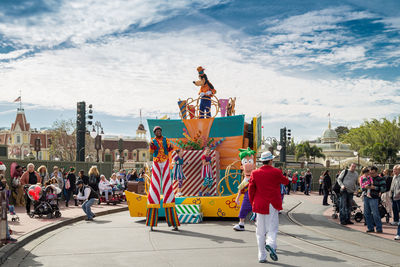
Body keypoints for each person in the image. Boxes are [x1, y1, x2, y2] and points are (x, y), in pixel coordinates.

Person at [248, 151, 289, 263]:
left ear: (262, 161)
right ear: (271, 160)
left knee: (260, 231)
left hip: (259, 204)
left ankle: (261, 256)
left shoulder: (255, 173)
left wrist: (253, 204)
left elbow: (251, 190)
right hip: (272, 203)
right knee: (272, 227)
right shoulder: (276, 172)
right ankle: (270, 243)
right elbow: (285, 182)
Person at [147, 126, 180, 231]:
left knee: (168, 188)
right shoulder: (153, 140)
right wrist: (151, 146)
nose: (158, 132)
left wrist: (171, 147)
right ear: (154, 133)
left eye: (159, 131)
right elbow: (151, 152)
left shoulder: (166, 139)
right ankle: (151, 222)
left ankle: (173, 222)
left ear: (161, 131)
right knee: (154, 188)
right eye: (156, 131)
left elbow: (171, 148)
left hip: (165, 161)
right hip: (156, 162)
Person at [233, 148, 256, 231]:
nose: (248, 165)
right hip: (248, 196)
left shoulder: (255, 175)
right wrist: (237, 198)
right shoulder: (246, 178)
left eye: (250, 162)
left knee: (259, 211)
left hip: (256, 196)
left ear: (254, 165)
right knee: (243, 208)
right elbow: (241, 187)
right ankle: (241, 224)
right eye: (245, 162)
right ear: (242, 166)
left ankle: (262, 226)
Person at [363, 166, 386, 233]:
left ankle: (379, 228)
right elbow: (362, 187)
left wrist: (374, 188)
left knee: (375, 213)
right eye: (370, 173)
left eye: (373, 173)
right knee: (366, 213)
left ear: (376, 172)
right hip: (366, 196)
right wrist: (364, 187)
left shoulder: (380, 179)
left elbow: (384, 188)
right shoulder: (367, 178)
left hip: (374, 198)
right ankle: (370, 228)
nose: (371, 174)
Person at [389, 165, 400, 240]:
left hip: (398, 197)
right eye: (393, 170)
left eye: (395, 170)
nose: (393, 171)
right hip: (395, 197)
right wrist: (391, 193)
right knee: (395, 209)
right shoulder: (394, 177)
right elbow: (392, 186)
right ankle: (398, 234)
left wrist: (398, 193)